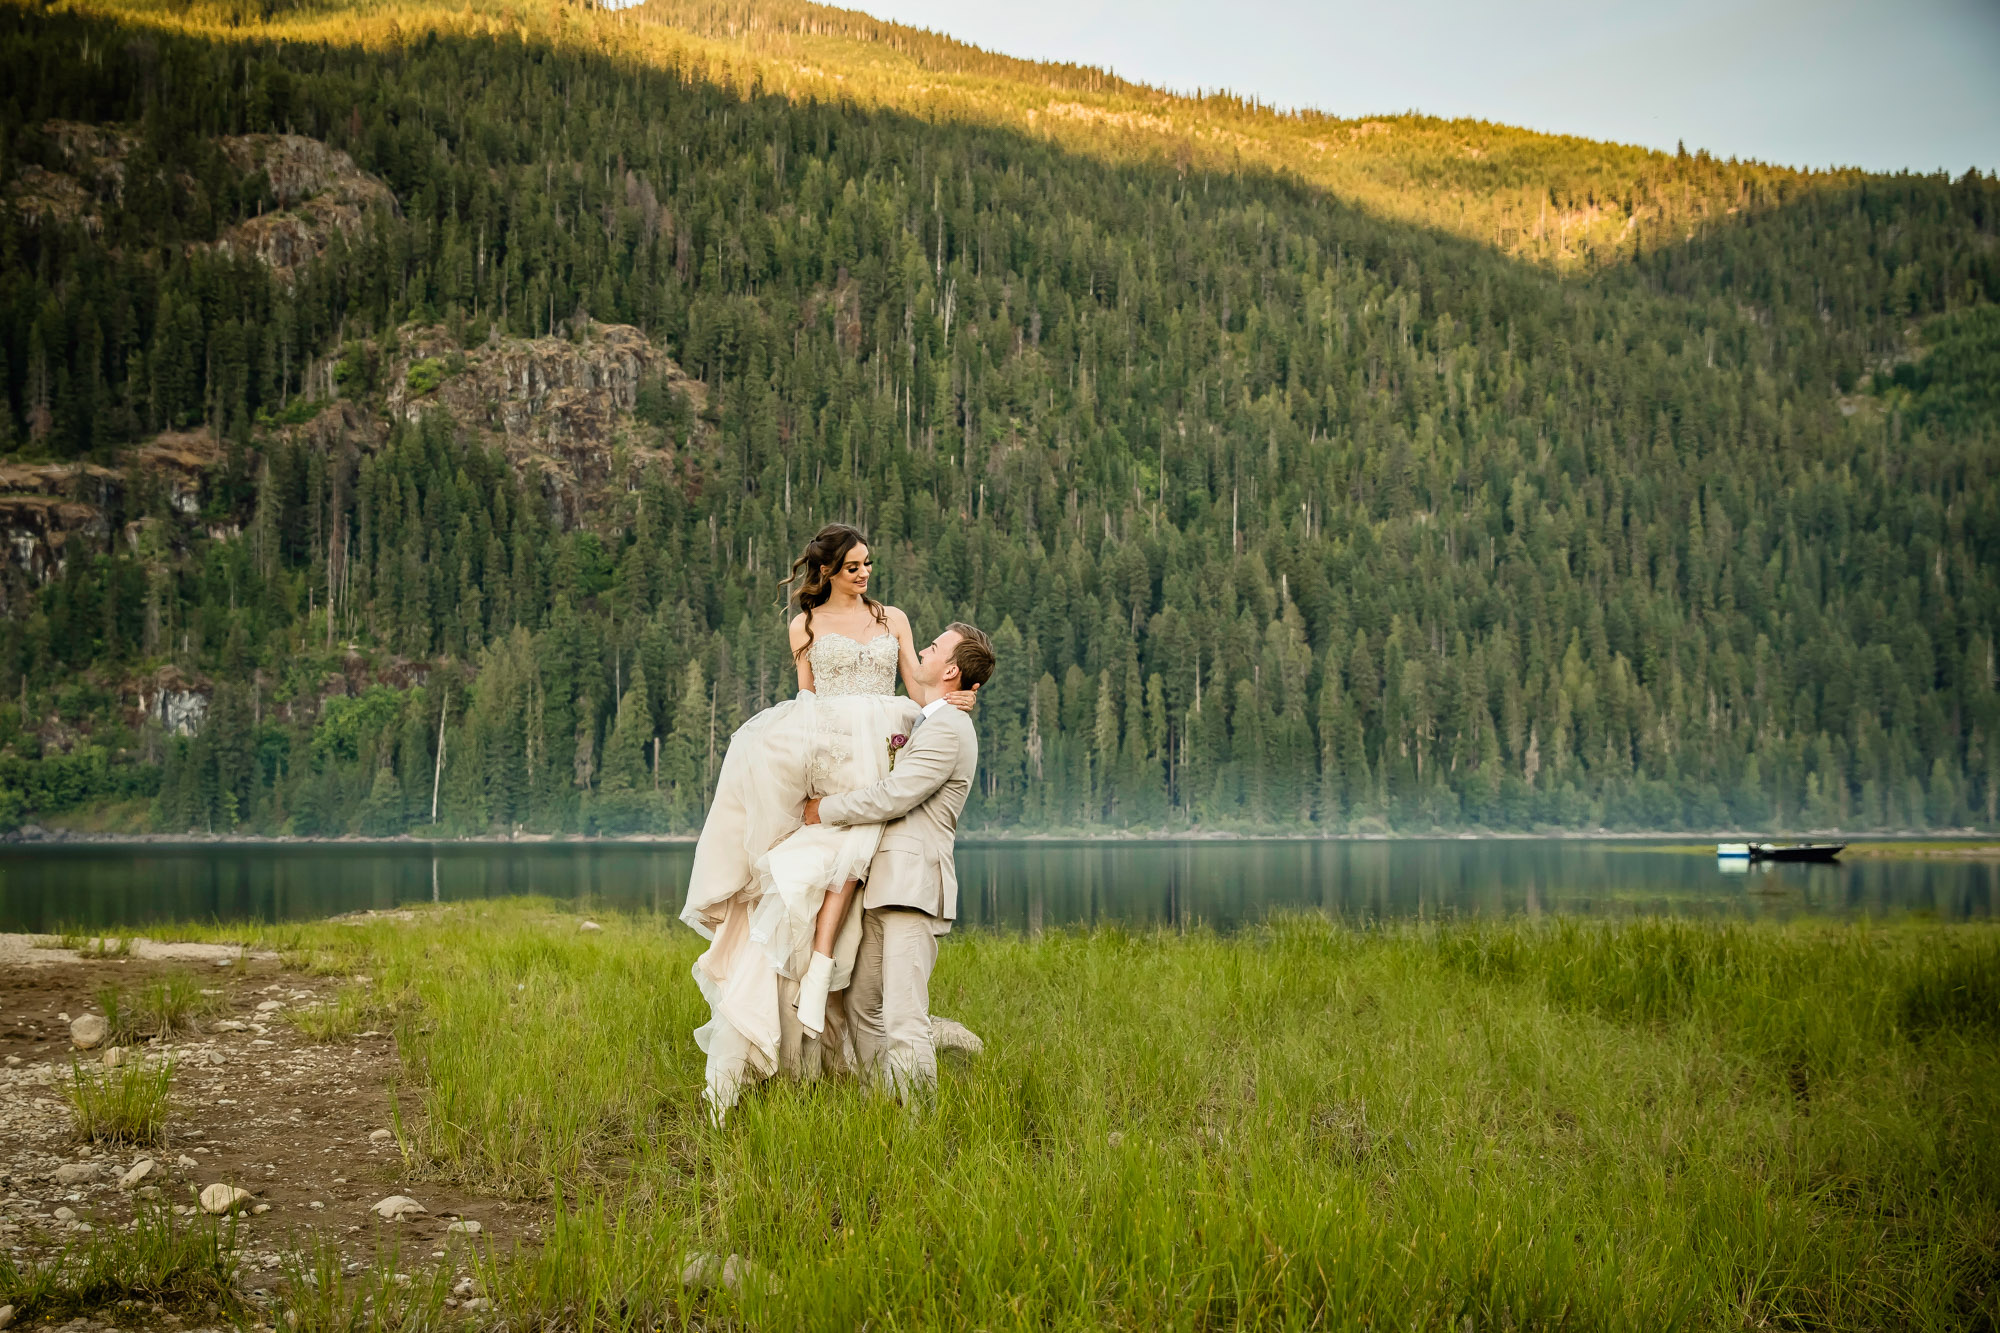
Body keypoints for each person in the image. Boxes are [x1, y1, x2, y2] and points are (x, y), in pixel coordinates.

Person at [678, 524, 978, 1118]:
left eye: (868, 565)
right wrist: (805, 774)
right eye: (853, 567)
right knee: (802, 880)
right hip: (832, 750)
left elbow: (920, 689)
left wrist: (954, 700)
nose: (864, 574)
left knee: (855, 861)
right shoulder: (805, 626)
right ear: (828, 571)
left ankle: (829, 997)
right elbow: (806, 701)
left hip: (881, 749)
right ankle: (802, 995)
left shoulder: (892, 618)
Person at [802, 618, 993, 1097]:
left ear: (951, 671)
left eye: (932, 648)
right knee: (863, 1009)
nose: (921, 653)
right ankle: (881, 1109)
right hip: (883, 887)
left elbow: (895, 795)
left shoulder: (949, 729)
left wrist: (824, 810)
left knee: (906, 1018)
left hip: (914, 886)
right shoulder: (924, 719)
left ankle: (917, 1128)